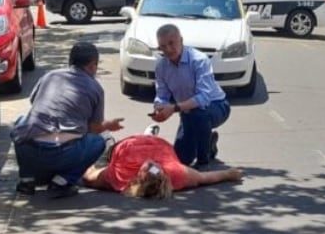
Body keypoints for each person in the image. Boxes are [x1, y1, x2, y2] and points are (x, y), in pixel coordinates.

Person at [11, 42, 124, 198]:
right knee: (98, 142)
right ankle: (62, 182)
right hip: (63, 151)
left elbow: (34, 102)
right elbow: (94, 128)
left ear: (70, 61)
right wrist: (109, 125)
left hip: (29, 145)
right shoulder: (95, 88)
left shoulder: (50, 76)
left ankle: (26, 180)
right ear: (92, 65)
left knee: (21, 121)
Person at [150, 24, 230, 168]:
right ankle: (208, 141)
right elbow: (161, 95)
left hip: (216, 106)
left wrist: (173, 108)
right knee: (180, 160)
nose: (168, 49)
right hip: (187, 111)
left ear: (181, 40)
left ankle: (203, 162)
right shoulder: (161, 67)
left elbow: (204, 97)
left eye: (171, 43)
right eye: (163, 46)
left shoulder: (199, 60)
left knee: (199, 114)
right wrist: (159, 108)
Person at [82, 131, 243, 199]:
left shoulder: (121, 178)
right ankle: (207, 147)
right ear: (164, 174)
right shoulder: (177, 174)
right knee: (188, 152)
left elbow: (89, 176)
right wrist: (229, 174)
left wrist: (82, 161)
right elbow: (204, 177)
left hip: (125, 145)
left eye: (149, 168)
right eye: (156, 167)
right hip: (160, 144)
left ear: (139, 177)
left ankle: (108, 144)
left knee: (101, 151)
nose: (152, 164)